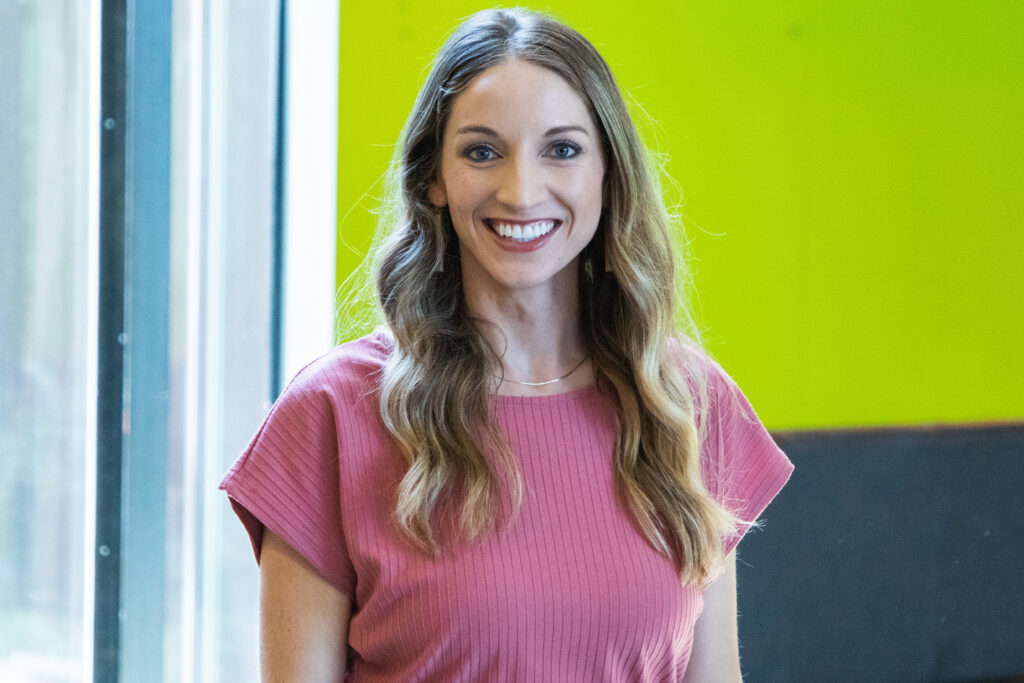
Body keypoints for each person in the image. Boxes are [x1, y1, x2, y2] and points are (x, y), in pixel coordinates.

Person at [221, 7, 793, 681]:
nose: (521, 191)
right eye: (482, 151)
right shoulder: (332, 412)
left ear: (609, 175)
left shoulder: (686, 403)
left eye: (563, 149)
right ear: (433, 178)